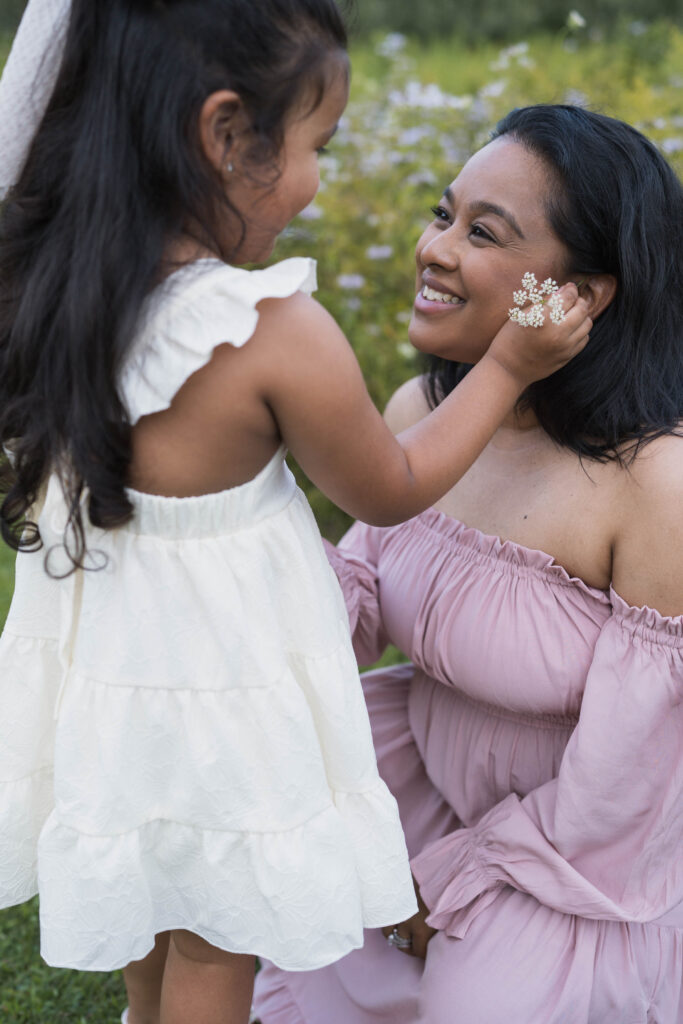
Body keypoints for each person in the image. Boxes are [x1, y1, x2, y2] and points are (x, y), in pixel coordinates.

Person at [0, 3, 591, 1023]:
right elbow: (389, 488)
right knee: (218, 941)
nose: (319, 179)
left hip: (117, 681)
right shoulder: (270, 329)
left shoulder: (61, 294)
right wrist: (505, 365)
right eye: (317, 144)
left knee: (153, 913)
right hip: (221, 695)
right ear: (227, 135)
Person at [254, 105, 683, 1024]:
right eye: (441, 213)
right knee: (280, 921)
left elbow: (627, 775)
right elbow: (362, 596)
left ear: (582, 297)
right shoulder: (426, 409)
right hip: (414, 777)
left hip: (571, 855)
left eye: (480, 233)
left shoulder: (654, 483)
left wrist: (453, 877)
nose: (433, 249)